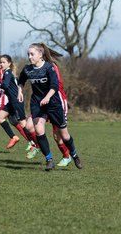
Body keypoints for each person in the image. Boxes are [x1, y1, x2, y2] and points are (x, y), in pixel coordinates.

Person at [18, 42, 82, 171]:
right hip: (37, 103)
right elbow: (21, 80)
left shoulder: (49, 67)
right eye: (28, 54)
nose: (29, 57)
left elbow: (55, 86)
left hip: (53, 103)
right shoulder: (27, 69)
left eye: (32, 54)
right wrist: (20, 90)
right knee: (38, 130)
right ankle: (49, 160)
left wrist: (47, 97)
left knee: (64, 135)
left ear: (40, 55)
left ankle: (74, 155)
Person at [0, 54, 40, 152]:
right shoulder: (7, 72)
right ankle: (14, 137)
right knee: (0, 117)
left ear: (9, 63)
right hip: (11, 101)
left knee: (23, 123)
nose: (2, 64)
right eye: (1, 62)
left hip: (16, 101)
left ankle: (36, 143)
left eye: (4, 62)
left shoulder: (7, 73)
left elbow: (5, 85)